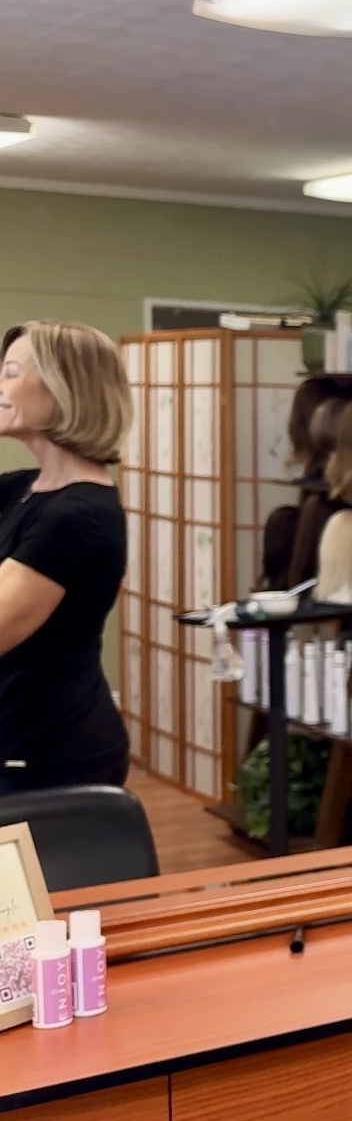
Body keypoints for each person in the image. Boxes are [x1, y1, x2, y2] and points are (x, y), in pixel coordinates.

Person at [0, 321, 131, 795]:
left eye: (11, 373)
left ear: (63, 390)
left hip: (47, 755)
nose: (0, 386)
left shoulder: (75, 516)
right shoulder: (20, 490)